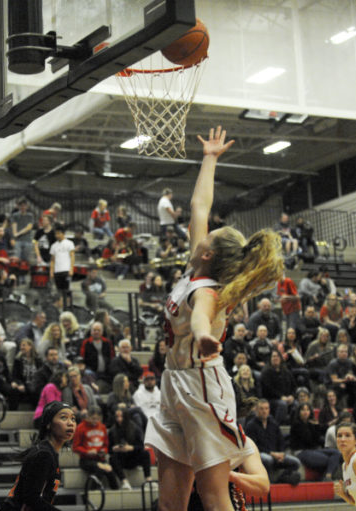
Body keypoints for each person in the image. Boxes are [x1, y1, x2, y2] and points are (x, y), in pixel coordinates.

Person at [144, 127, 282, 511]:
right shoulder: (195, 268)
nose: (198, 230)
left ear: (207, 252)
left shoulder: (207, 290)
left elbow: (202, 317)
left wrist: (205, 337)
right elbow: (199, 207)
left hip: (203, 384)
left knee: (213, 494)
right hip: (174, 382)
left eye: (206, 233)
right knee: (171, 499)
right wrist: (210, 158)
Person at [0, 401, 76, 511]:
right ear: (48, 424)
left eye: (73, 419)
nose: (70, 423)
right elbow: (31, 498)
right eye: (64, 418)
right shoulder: (44, 454)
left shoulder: (48, 451)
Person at [245, 399, 301, 484]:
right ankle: (268, 482)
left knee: (296, 462)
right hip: (259, 455)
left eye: (266, 408)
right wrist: (271, 453)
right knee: (268, 459)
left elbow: (281, 441)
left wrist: (281, 453)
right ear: (256, 410)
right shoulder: (251, 425)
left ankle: (281, 478)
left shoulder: (273, 424)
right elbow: (254, 446)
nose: (264, 411)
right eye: (262, 409)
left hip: (276, 455)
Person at [73, 405, 120, 489]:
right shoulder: (81, 428)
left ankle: (116, 495)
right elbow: (75, 447)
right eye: (93, 418)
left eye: (97, 419)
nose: (95, 421)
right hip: (86, 460)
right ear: (88, 416)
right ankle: (89, 494)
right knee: (100, 470)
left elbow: (105, 445)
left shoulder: (102, 427)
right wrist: (87, 452)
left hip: (99, 458)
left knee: (111, 472)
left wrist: (103, 451)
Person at [290, 403, 341, 481]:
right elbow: (308, 440)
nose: (305, 412)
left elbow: (317, 439)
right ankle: (326, 477)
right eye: (303, 410)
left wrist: (316, 426)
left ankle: (327, 476)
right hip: (302, 451)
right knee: (330, 460)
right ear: (299, 412)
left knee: (336, 453)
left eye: (307, 410)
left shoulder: (311, 423)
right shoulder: (296, 425)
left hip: (314, 450)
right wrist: (314, 427)